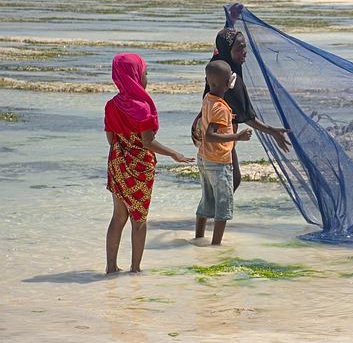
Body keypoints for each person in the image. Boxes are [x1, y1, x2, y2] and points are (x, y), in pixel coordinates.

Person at [105, 53, 194, 274]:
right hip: (139, 168)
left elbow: (110, 139)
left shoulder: (111, 105)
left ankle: (111, 267)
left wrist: (124, 150)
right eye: (145, 72)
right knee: (139, 218)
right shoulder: (142, 107)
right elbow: (147, 142)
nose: (147, 77)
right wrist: (175, 154)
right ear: (134, 76)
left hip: (117, 163)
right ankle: (135, 268)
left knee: (118, 216)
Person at [192, 25, 292, 192]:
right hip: (218, 135)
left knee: (226, 181)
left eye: (245, 47)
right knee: (230, 180)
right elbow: (248, 118)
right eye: (239, 49)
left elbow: (224, 40)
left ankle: (214, 214)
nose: (244, 52)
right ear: (227, 50)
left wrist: (230, 22)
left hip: (206, 127)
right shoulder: (229, 81)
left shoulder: (217, 63)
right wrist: (273, 131)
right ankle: (218, 215)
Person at [195, 60, 253, 244]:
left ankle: (198, 237)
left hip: (204, 159)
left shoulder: (208, 100)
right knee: (223, 205)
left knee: (207, 200)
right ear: (229, 84)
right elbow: (211, 136)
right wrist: (238, 136)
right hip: (218, 162)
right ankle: (216, 245)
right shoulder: (221, 108)